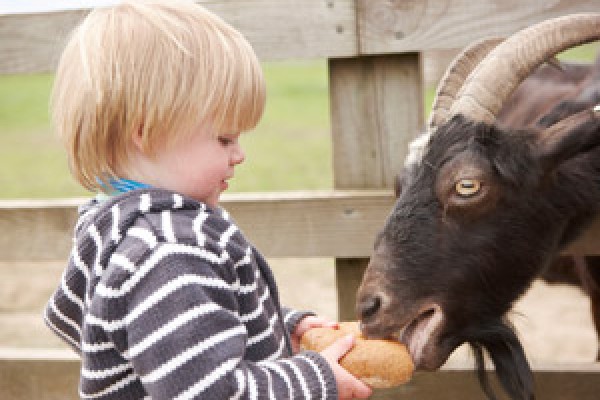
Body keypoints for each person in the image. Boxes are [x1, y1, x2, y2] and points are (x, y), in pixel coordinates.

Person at [43, 0, 373, 399]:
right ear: (146, 132)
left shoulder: (125, 232)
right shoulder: (167, 253)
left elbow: (187, 334)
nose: (239, 154)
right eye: (224, 138)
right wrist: (313, 379)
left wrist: (281, 328)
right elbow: (211, 390)